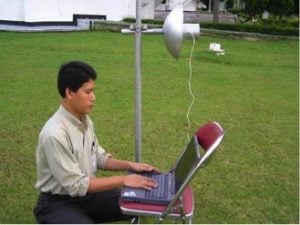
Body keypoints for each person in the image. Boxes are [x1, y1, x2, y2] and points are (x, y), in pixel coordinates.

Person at [33, 61, 158, 224]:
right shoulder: (54, 134)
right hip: (57, 203)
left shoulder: (85, 121)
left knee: (140, 202)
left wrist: (131, 166)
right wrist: (124, 179)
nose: (93, 98)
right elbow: (76, 185)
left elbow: (99, 158)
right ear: (70, 93)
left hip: (87, 195)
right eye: (88, 92)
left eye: (93, 91)